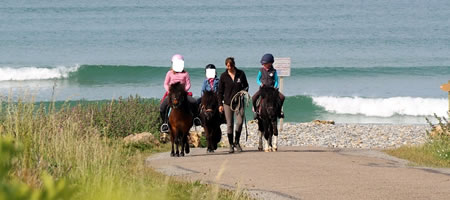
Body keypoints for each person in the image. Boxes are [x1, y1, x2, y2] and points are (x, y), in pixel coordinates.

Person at [160, 54, 201, 133]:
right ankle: (165, 123)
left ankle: (196, 119)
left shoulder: (185, 74)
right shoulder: (169, 73)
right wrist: (170, 91)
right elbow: (165, 83)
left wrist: (183, 91)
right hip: (172, 94)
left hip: (182, 94)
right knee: (162, 107)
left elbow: (188, 84)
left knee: (194, 102)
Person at [218, 57, 249, 153]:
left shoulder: (241, 74)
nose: (229, 68)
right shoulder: (223, 76)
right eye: (227, 66)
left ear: (234, 65)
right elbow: (220, 91)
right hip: (227, 103)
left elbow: (246, 86)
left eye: (231, 66)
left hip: (239, 102)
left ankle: (237, 142)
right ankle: (231, 145)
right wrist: (220, 104)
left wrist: (244, 92)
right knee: (230, 124)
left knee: (239, 122)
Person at [252, 53, 285, 119]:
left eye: (265, 64)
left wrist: (275, 86)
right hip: (263, 89)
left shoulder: (274, 71)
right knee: (254, 97)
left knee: (282, 97)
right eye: (263, 64)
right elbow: (257, 79)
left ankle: (279, 111)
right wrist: (260, 84)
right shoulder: (261, 70)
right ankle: (256, 111)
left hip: (271, 89)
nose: (263, 65)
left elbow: (276, 80)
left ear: (270, 63)